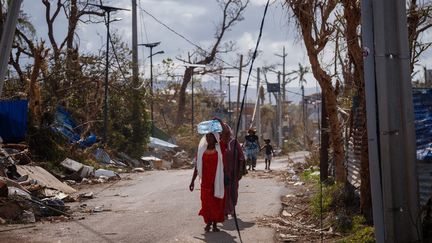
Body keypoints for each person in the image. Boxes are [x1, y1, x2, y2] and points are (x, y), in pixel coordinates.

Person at [189, 132, 225, 232]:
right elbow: (197, 167)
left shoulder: (219, 150)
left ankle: (214, 224)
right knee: (206, 202)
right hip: (205, 182)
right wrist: (192, 181)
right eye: (207, 136)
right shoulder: (201, 151)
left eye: (211, 136)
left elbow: (223, 166)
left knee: (216, 202)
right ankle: (208, 222)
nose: (208, 138)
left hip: (217, 180)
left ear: (215, 138)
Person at [216, 119, 246, 217]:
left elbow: (241, 157)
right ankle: (225, 211)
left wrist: (241, 171)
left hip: (234, 172)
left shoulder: (234, 142)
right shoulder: (218, 143)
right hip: (222, 173)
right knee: (224, 191)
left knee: (233, 191)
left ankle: (232, 208)